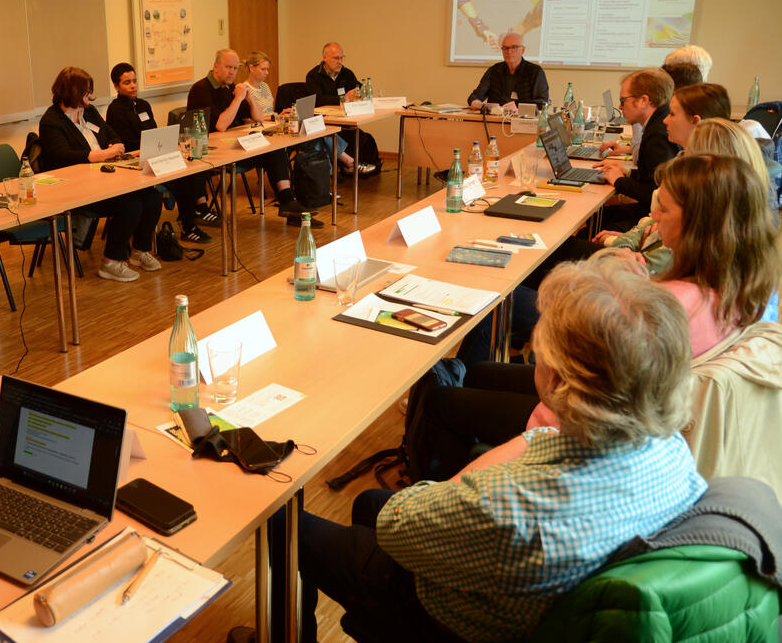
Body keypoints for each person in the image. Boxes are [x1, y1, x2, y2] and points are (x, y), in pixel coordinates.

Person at [254, 256, 706, 643]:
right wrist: (536, 439)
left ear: (557, 378)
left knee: (280, 519)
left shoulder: (507, 504)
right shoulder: (671, 453)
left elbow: (399, 524)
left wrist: (526, 442)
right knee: (370, 501)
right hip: (553, 594)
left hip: (455, 617)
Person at [426, 152, 780, 480]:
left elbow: (571, 361)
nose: (653, 216)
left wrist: (613, 275)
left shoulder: (668, 307)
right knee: (482, 372)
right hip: (624, 416)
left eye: (665, 210)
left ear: (699, 224)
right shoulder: (745, 289)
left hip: (582, 431)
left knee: (441, 401)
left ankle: (448, 502)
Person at [38, 67, 163, 282]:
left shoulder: (89, 111)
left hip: (105, 176)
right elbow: (63, 156)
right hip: (76, 187)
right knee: (131, 204)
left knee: (152, 196)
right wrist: (101, 154)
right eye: (86, 92)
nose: (89, 96)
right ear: (72, 92)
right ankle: (110, 262)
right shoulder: (51, 121)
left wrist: (116, 145)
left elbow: (110, 133)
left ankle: (139, 251)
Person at [188, 49, 317, 226]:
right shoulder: (201, 89)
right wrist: (238, 99)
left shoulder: (231, 88)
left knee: (274, 149)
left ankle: (287, 200)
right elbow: (221, 125)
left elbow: (257, 117)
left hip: (233, 146)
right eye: (228, 67)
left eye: (235, 68)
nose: (232, 72)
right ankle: (200, 209)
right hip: (209, 153)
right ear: (215, 67)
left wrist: (248, 97)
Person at [105, 61, 216, 244]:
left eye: (134, 81)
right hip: (135, 161)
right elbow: (125, 142)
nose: (133, 85)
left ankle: (193, 216)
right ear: (116, 86)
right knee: (181, 180)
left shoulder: (143, 104)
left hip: (155, 153)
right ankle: (189, 225)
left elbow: (155, 131)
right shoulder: (115, 109)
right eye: (127, 82)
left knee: (190, 170)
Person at [246, 51, 371, 179]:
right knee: (316, 134)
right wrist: (274, 117)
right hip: (262, 128)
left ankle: (327, 180)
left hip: (277, 123)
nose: (267, 73)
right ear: (251, 67)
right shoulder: (245, 90)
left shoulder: (265, 87)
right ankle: (345, 164)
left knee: (316, 131)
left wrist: (280, 114)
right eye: (263, 69)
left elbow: (270, 111)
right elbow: (248, 119)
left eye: (267, 69)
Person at [594, 67, 678, 230]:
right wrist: (628, 173)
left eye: (623, 100)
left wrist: (619, 181)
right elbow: (652, 178)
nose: (620, 105)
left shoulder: (657, 135)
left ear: (644, 101)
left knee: (595, 223)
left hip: (652, 221)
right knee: (598, 216)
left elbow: (655, 194)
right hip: (650, 213)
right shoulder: (656, 123)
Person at [303, 42, 379, 174]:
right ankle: (348, 164)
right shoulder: (314, 75)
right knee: (334, 135)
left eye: (342, 58)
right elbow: (316, 99)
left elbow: (358, 87)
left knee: (362, 137)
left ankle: (350, 166)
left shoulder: (346, 73)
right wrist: (343, 99)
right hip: (323, 121)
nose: (340, 62)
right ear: (325, 58)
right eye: (336, 58)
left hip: (343, 118)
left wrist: (360, 93)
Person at [466, 32, 550, 112]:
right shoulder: (494, 70)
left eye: (514, 47)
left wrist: (518, 106)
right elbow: (474, 97)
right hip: (494, 121)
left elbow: (542, 103)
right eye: (505, 48)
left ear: (523, 50)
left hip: (523, 121)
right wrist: (478, 104)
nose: (509, 52)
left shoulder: (535, 72)